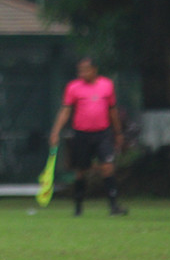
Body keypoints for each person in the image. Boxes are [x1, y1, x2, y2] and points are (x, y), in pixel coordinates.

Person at [48, 57, 128, 216]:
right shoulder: (73, 87)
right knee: (81, 170)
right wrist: (55, 131)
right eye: (80, 70)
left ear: (94, 70)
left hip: (103, 133)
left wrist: (118, 133)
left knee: (107, 167)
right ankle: (78, 207)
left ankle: (113, 206)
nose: (82, 73)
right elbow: (66, 110)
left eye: (85, 69)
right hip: (81, 134)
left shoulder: (107, 85)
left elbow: (112, 111)